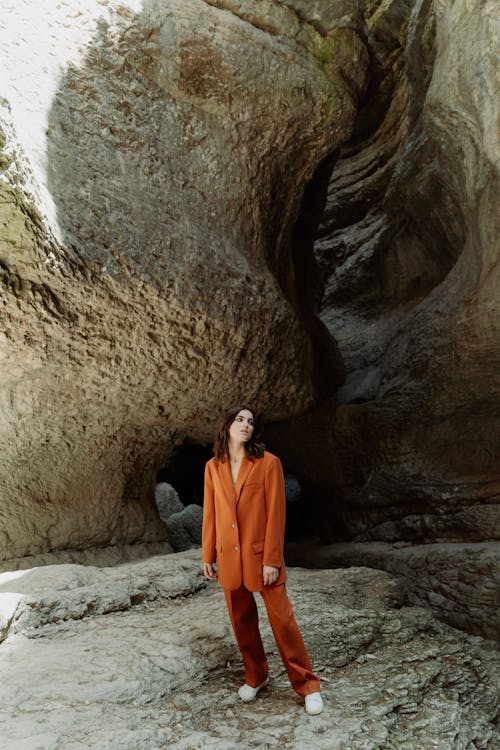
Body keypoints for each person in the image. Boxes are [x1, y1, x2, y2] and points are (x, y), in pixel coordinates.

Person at [202, 405, 323, 715]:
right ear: (227, 425)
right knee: (241, 622)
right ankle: (256, 676)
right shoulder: (213, 467)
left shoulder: (269, 463)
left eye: (251, 421)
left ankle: (307, 685)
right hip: (229, 556)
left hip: (261, 557)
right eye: (239, 420)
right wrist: (208, 555)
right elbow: (211, 513)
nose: (246, 425)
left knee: (283, 621)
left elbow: (275, 515)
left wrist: (272, 559)